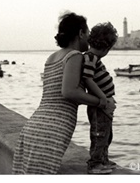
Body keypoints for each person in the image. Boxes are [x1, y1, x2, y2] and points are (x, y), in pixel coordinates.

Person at [12, 12, 110, 174]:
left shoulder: (52, 57)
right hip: (54, 126)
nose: (89, 38)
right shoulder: (75, 56)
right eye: (87, 33)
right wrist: (100, 102)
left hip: (34, 125)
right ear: (80, 33)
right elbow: (69, 92)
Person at [82, 22, 118, 174]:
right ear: (107, 47)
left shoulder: (94, 58)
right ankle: (95, 164)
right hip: (99, 106)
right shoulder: (90, 58)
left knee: (107, 134)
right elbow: (88, 79)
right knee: (99, 134)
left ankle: (103, 159)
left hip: (104, 103)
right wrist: (103, 97)